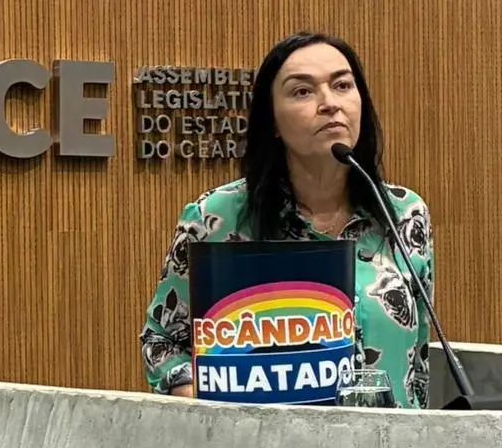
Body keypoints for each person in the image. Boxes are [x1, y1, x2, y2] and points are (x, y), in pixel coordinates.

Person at [139, 31, 434, 408]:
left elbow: (418, 361)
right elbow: (160, 342)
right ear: (273, 122)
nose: (330, 103)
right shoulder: (217, 217)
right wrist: (208, 397)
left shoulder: (405, 212)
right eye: (302, 92)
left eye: (343, 85)